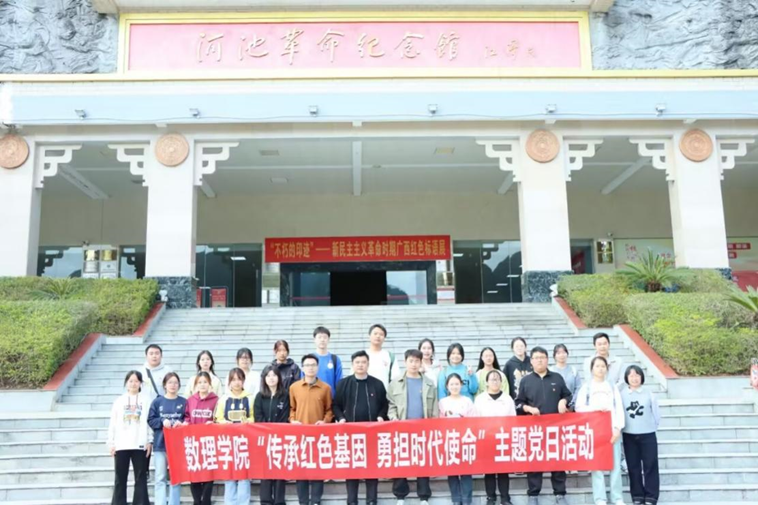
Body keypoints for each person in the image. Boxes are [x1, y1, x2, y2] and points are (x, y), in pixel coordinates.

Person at [516, 346, 571, 505]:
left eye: (542, 357)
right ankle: (533, 494)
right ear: (531, 361)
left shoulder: (557, 378)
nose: (539, 360)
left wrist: (563, 401)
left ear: (547, 360)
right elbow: (518, 403)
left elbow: (568, 395)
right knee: (535, 461)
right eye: (536, 358)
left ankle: (560, 493)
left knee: (558, 460)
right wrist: (528, 408)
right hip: (535, 429)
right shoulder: (526, 381)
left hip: (556, 428)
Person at [334, 350, 389, 505]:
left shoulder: (377, 384)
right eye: (357, 362)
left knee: (372, 468)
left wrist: (381, 416)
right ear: (352, 365)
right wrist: (341, 418)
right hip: (350, 434)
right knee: (352, 468)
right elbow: (336, 405)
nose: (360, 365)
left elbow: (384, 405)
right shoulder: (344, 384)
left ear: (368, 364)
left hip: (372, 434)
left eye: (363, 362)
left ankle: (371, 500)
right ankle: (352, 500)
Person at [387, 349, 437, 505]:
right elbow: (391, 404)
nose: (414, 364)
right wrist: (394, 418)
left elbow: (434, 407)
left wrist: (433, 424)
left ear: (421, 362)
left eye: (417, 361)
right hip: (401, 428)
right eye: (411, 361)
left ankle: (424, 496)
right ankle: (400, 495)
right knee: (401, 460)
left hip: (423, 429)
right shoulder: (395, 383)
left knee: (423, 461)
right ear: (405, 362)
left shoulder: (429, 383)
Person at [576, 356, 626, 505]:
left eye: (603, 366)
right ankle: (600, 498)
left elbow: (619, 408)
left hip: (612, 430)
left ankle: (617, 497)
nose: (600, 369)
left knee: (615, 465)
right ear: (592, 369)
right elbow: (579, 408)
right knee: (596, 465)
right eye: (597, 366)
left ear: (607, 369)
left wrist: (618, 428)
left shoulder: (612, 387)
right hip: (594, 431)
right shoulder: (587, 387)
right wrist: (595, 409)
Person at [290, 354, 334, 505]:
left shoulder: (325, 388)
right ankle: (303, 501)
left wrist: (325, 421)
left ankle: (316, 500)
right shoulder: (294, 388)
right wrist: (292, 420)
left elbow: (329, 410)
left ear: (318, 367)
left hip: (318, 434)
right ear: (302, 368)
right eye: (307, 365)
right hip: (300, 435)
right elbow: (292, 408)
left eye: (313, 365)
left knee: (317, 468)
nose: (310, 368)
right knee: (301, 468)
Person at [107, 370, 152, 505]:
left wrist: (150, 441)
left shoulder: (146, 400)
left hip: (140, 444)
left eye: (136, 381)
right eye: (131, 381)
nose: (133, 384)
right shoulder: (119, 401)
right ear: (126, 383)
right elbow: (113, 423)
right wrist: (111, 443)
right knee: (120, 478)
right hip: (121, 444)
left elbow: (149, 422)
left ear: (140, 383)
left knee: (141, 477)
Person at [474, 369, 516, 505]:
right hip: (487, 439)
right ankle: (490, 497)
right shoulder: (480, 399)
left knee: (504, 470)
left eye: (497, 379)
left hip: (503, 438)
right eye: (492, 379)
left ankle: (505, 498)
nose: (495, 381)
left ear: (501, 382)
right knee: (489, 470)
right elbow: (476, 420)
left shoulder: (507, 399)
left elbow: (513, 419)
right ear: (486, 382)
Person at [621, 365, 660, 505]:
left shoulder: (649, 393)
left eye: (637, 375)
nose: (634, 378)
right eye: (631, 375)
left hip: (648, 435)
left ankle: (651, 496)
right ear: (626, 378)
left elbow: (656, 414)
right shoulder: (621, 394)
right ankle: (637, 496)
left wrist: (651, 427)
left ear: (641, 377)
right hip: (629, 435)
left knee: (651, 465)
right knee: (633, 467)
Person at [215, 368, 254, 505]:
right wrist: (224, 423)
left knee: (244, 473)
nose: (237, 382)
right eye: (233, 380)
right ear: (229, 382)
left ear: (243, 380)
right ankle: (230, 502)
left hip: (245, 441)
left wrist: (248, 421)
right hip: (228, 441)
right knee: (229, 473)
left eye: (239, 379)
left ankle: (244, 502)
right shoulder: (223, 399)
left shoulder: (250, 398)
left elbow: (254, 416)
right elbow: (218, 418)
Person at [147, 372, 186, 505]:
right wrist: (162, 421)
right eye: (170, 382)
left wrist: (182, 423)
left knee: (176, 477)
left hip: (178, 446)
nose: (173, 385)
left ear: (179, 385)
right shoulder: (157, 402)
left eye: (175, 383)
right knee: (160, 477)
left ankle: (174, 502)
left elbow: (188, 419)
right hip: (160, 444)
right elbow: (151, 420)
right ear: (164, 385)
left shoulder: (184, 402)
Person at [254, 365, 290, 505]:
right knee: (266, 469)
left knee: (279, 469)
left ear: (279, 378)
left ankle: (279, 500)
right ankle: (266, 500)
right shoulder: (260, 396)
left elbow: (285, 415)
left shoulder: (285, 395)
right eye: (268, 376)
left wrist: (276, 430)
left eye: (274, 375)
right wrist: (266, 430)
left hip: (280, 438)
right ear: (264, 379)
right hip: (264, 438)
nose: (271, 378)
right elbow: (258, 416)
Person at [438, 373, 476, 505]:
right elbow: (440, 422)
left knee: (466, 472)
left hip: (465, 439)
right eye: (451, 384)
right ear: (447, 386)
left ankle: (466, 500)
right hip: (449, 440)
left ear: (461, 385)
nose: (454, 386)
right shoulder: (442, 402)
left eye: (457, 384)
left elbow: (473, 420)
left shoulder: (467, 401)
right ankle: (456, 499)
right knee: (452, 472)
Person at [184, 372, 219, 505]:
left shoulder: (216, 400)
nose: (202, 385)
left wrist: (214, 423)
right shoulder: (190, 400)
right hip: (193, 442)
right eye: (199, 382)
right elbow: (187, 417)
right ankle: (197, 500)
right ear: (195, 385)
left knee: (208, 473)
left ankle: (206, 500)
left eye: (205, 382)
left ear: (210, 384)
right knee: (194, 472)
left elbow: (218, 418)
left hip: (209, 442)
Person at [365, 323, 401, 389]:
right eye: (375, 333)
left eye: (381, 334)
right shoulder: (362, 355)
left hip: (384, 393)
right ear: (369, 336)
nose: (378, 336)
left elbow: (395, 378)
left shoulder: (390, 356)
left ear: (384, 338)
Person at [310, 326, 342, 398]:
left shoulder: (335, 359)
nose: (322, 340)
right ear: (314, 340)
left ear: (328, 340)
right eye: (319, 337)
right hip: (312, 398)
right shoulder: (309, 359)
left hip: (330, 399)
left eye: (325, 337)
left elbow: (339, 382)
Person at [551, 344, 582, 409]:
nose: (561, 355)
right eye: (558, 353)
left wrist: (572, 403)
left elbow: (578, 388)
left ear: (567, 354)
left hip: (572, 407)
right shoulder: (551, 371)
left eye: (563, 352)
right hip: (554, 407)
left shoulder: (573, 370)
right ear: (554, 356)